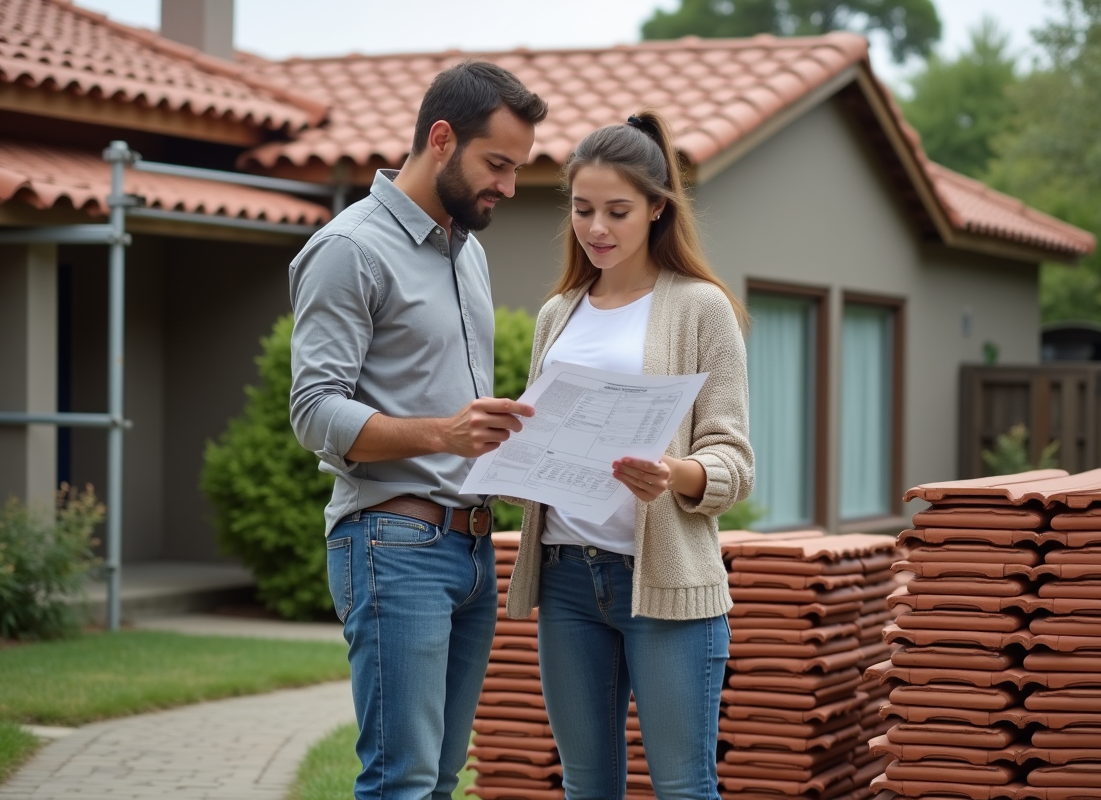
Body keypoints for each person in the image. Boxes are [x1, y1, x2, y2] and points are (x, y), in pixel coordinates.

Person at [288, 61, 547, 800]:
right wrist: (445, 432)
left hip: (470, 549)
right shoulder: (350, 250)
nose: (507, 185)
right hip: (391, 546)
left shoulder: (470, 254)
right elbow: (314, 411)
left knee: (439, 779)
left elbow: (460, 419)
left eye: (517, 167)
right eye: (497, 163)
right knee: (400, 780)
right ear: (441, 139)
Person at [506, 109, 754, 800]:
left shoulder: (702, 308)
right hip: (565, 580)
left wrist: (674, 473)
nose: (597, 228)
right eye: (583, 210)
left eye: (617, 211)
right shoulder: (560, 313)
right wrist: (512, 452)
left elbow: (733, 461)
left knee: (682, 786)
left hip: (666, 584)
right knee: (586, 786)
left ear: (656, 209)